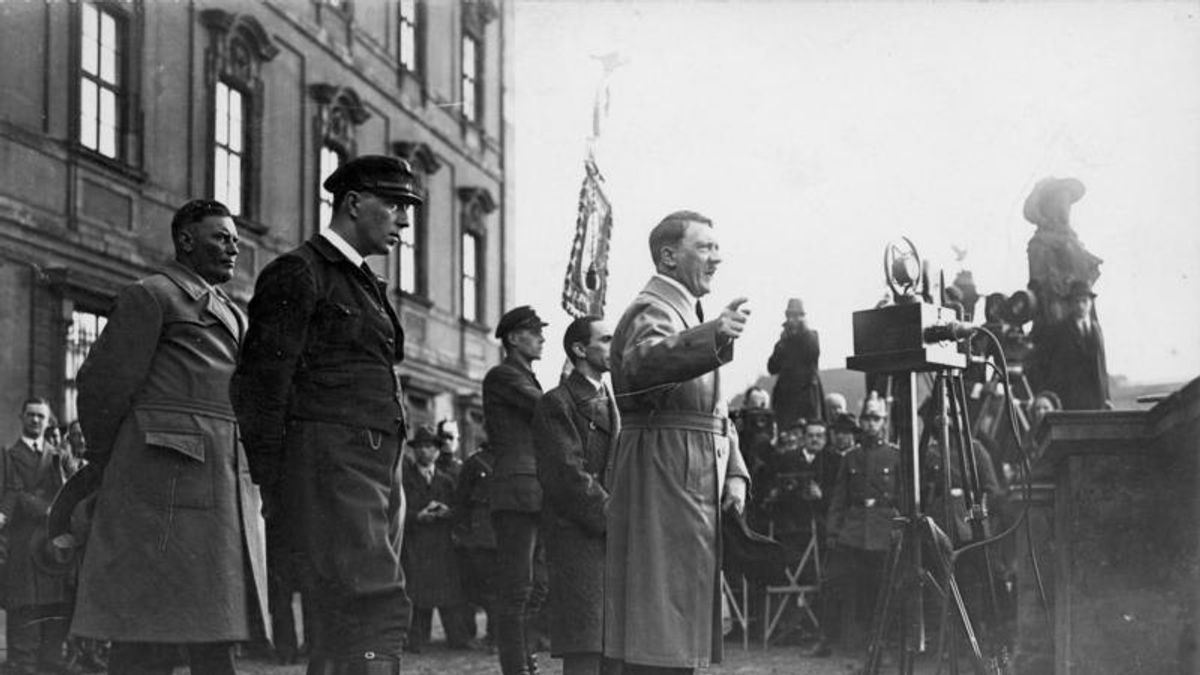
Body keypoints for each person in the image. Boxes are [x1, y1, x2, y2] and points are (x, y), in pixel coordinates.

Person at [231, 155, 423, 675]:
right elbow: (261, 390)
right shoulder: (299, 273)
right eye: (395, 205)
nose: (405, 221)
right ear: (354, 203)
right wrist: (278, 488)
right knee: (374, 603)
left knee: (339, 615)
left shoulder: (364, 283)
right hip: (329, 462)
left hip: (377, 462)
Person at [72, 199, 268, 675]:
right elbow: (103, 387)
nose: (233, 249)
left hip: (219, 486)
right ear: (185, 240)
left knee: (210, 630)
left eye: (236, 241)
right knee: (148, 632)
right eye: (221, 238)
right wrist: (117, 461)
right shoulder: (152, 295)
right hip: (161, 490)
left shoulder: (230, 311)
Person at [605, 210, 751, 674]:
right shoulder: (654, 307)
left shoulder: (682, 309)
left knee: (675, 611)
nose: (717, 257)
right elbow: (642, 365)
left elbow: (715, 410)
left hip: (686, 469)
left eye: (715, 247)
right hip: (665, 468)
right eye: (704, 247)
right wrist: (712, 335)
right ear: (669, 256)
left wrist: (735, 472)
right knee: (660, 615)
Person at [532, 316, 619, 675]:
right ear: (580, 350)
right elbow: (568, 477)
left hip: (610, 538)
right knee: (586, 653)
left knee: (614, 651)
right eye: (607, 340)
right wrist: (616, 517)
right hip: (579, 538)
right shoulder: (558, 403)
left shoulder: (612, 401)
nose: (616, 348)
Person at [485, 305, 551, 675]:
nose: (542, 337)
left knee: (537, 587)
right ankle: (517, 669)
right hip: (516, 494)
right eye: (533, 331)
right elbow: (546, 408)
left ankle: (526, 662)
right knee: (517, 590)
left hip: (534, 493)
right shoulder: (503, 376)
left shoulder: (524, 377)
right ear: (513, 338)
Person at [819, 397, 899, 656]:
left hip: (883, 531)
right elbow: (839, 498)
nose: (870, 423)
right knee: (843, 584)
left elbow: (904, 499)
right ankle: (843, 639)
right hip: (853, 532)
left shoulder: (896, 456)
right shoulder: (851, 457)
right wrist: (833, 531)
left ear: (884, 422)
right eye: (867, 418)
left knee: (882, 588)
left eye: (876, 418)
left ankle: (882, 643)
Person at [1, 398, 74, 675]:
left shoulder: (58, 455)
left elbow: (72, 487)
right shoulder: (8, 454)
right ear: (21, 418)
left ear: (48, 421)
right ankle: (23, 661)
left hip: (52, 542)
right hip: (23, 538)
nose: (35, 421)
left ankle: (51, 658)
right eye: (30, 415)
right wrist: (51, 509)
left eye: (40, 417)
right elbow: (15, 493)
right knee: (25, 602)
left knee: (56, 600)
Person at [401, 425, 471, 652]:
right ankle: (418, 641)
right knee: (419, 594)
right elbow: (398, 512)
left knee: (449, 592)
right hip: (417, 544)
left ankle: (457, 639)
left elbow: (459, 511)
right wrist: (417, 516)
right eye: (420, 447)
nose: (424, 452)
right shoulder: (405, 480)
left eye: (430, 447)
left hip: (442, 544)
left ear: (438, 451)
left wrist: (445, 512)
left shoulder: (446, 480)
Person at [1027, 280, 1110, 410]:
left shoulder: (1096, 330)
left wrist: (1106, 398)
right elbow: (1044, 366)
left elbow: (1102, 367)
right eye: (1076, 301)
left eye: (1084, 301)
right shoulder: (1059, 330)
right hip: (1069, 402)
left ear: (1091, 303)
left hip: (1096, 402)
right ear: (1070, 304)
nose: (1081, 306)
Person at [453, 441, 499, 648]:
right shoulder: (474, 463)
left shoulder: (511, 458)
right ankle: (469, 634)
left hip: (503, 534)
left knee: (500, 590)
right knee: (476, 589)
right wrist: (462, 531)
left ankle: (496, 635)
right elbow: (461, 499)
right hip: (479, 537)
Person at [767, 298, 826, 429]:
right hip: (786, 399)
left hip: (806, 398)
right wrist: (782, 343)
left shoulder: (810, 337)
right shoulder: (783, 342)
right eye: (789, 316)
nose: (791, 320)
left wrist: (800, 332)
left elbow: (813, 353)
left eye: (795, 316)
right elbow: (771, 368)